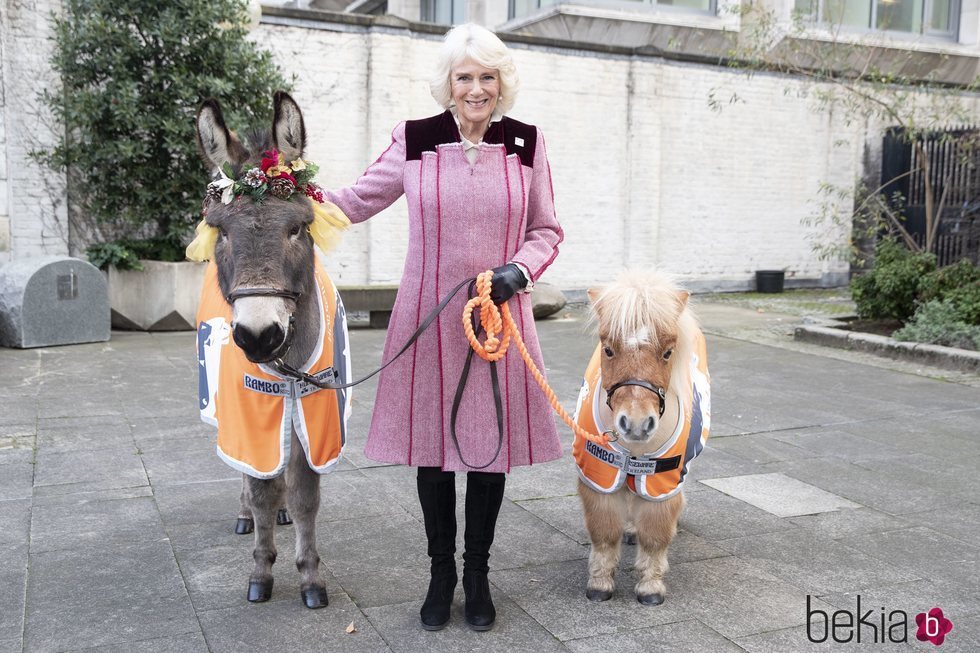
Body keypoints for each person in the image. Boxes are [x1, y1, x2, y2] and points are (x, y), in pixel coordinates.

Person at [325, 23, 563, 632]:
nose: (477, 88)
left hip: (496, 319)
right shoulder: (415, 139)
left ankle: (478, 575)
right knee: (432, 451)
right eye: (465, 77)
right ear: (448, 84)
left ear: (501, 83)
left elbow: (546, 230)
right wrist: (273, 189)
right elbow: (351, 201)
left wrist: (520, 268)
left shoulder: (527, 143)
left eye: (488, 77)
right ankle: (440, 575)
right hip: (427, 321)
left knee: (489, 454)